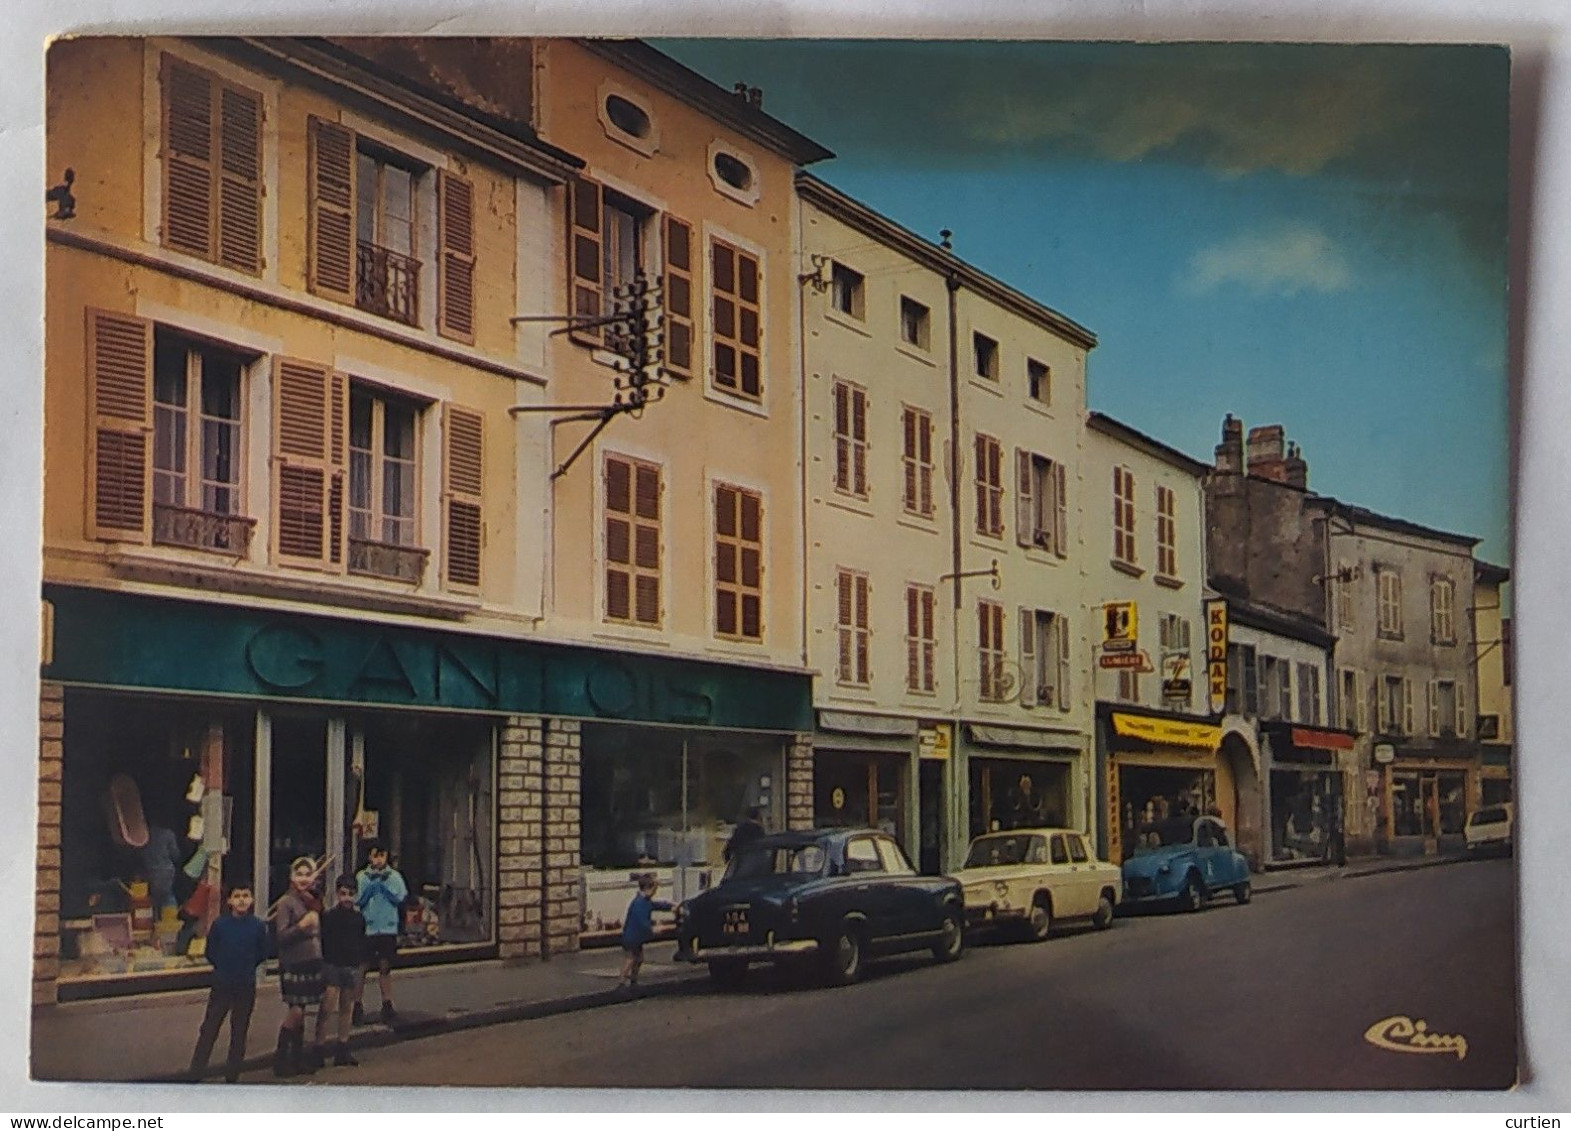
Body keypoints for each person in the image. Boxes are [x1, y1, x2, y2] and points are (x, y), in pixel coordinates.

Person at [187, 881, 269, 1083]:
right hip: (222, 983)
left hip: (246, 983)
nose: (242, 900)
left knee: (239, 1031)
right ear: (230, 901)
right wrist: (223, 967)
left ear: (251, 900)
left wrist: (247, 966)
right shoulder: (220, 925)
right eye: (237, 896)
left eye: (246, 895)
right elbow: (211, 951)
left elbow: (263, 952)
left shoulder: (258, 926)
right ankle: (195, 1074)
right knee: (209, 1028)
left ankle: (232, 1076)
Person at [273, 857, 326, 1077]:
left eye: (308, 874)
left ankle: (296, 1059)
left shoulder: (314, 901)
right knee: (295, 1011)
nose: (304, 879)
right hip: (293, 963)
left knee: (302, 1012)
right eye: (299, 874)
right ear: (292, 877)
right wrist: (302, 927)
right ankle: (280, 1059)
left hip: (311, 963)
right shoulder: (286, 902)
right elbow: (281, 936)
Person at [353, 842, 408, 1026]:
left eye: (381, 856)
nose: (378, 860)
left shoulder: (394, 877)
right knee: (362, 966)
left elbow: (400, 898)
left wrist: (384, 887)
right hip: (367, 928)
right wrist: (370, 889)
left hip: (387, 928)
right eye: (374, 856)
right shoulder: (362, 877)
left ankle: (387, 1003)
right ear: (369, 857)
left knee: (385, 966)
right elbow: (357, 900)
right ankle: (357, 1005)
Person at [316, 875, 366, 1068]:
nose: (347, 898)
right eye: (343, 894)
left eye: (351, 894)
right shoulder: (329, 917)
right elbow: (323, 940)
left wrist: (359, 963)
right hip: (332, 964)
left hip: (350, 965)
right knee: (327, 1007)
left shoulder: (358, 918)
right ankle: (319, 1047)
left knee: (347, 1007)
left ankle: (342, 1047)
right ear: (337, 894)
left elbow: (360, 941)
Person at [618, 873, 673, 993]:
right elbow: (641, 920)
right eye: (655, 889)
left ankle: (633, 980)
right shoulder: (640, 903)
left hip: (635, 937)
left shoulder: (644, 900)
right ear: (649, 888)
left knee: (638, 958)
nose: (655, 892)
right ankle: (622, 982)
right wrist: (652, 928)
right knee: (630, 958)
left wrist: (670, 906)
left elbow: (656, 905)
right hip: (631, 937)